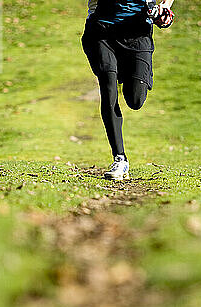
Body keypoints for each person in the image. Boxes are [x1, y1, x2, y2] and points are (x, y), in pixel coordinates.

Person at [82, 0, 175, 180]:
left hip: (138, 34)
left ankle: (128, 70)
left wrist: (165, 7)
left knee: (135, 100)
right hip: (102, 32)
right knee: (108, 88)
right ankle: (120, 158)